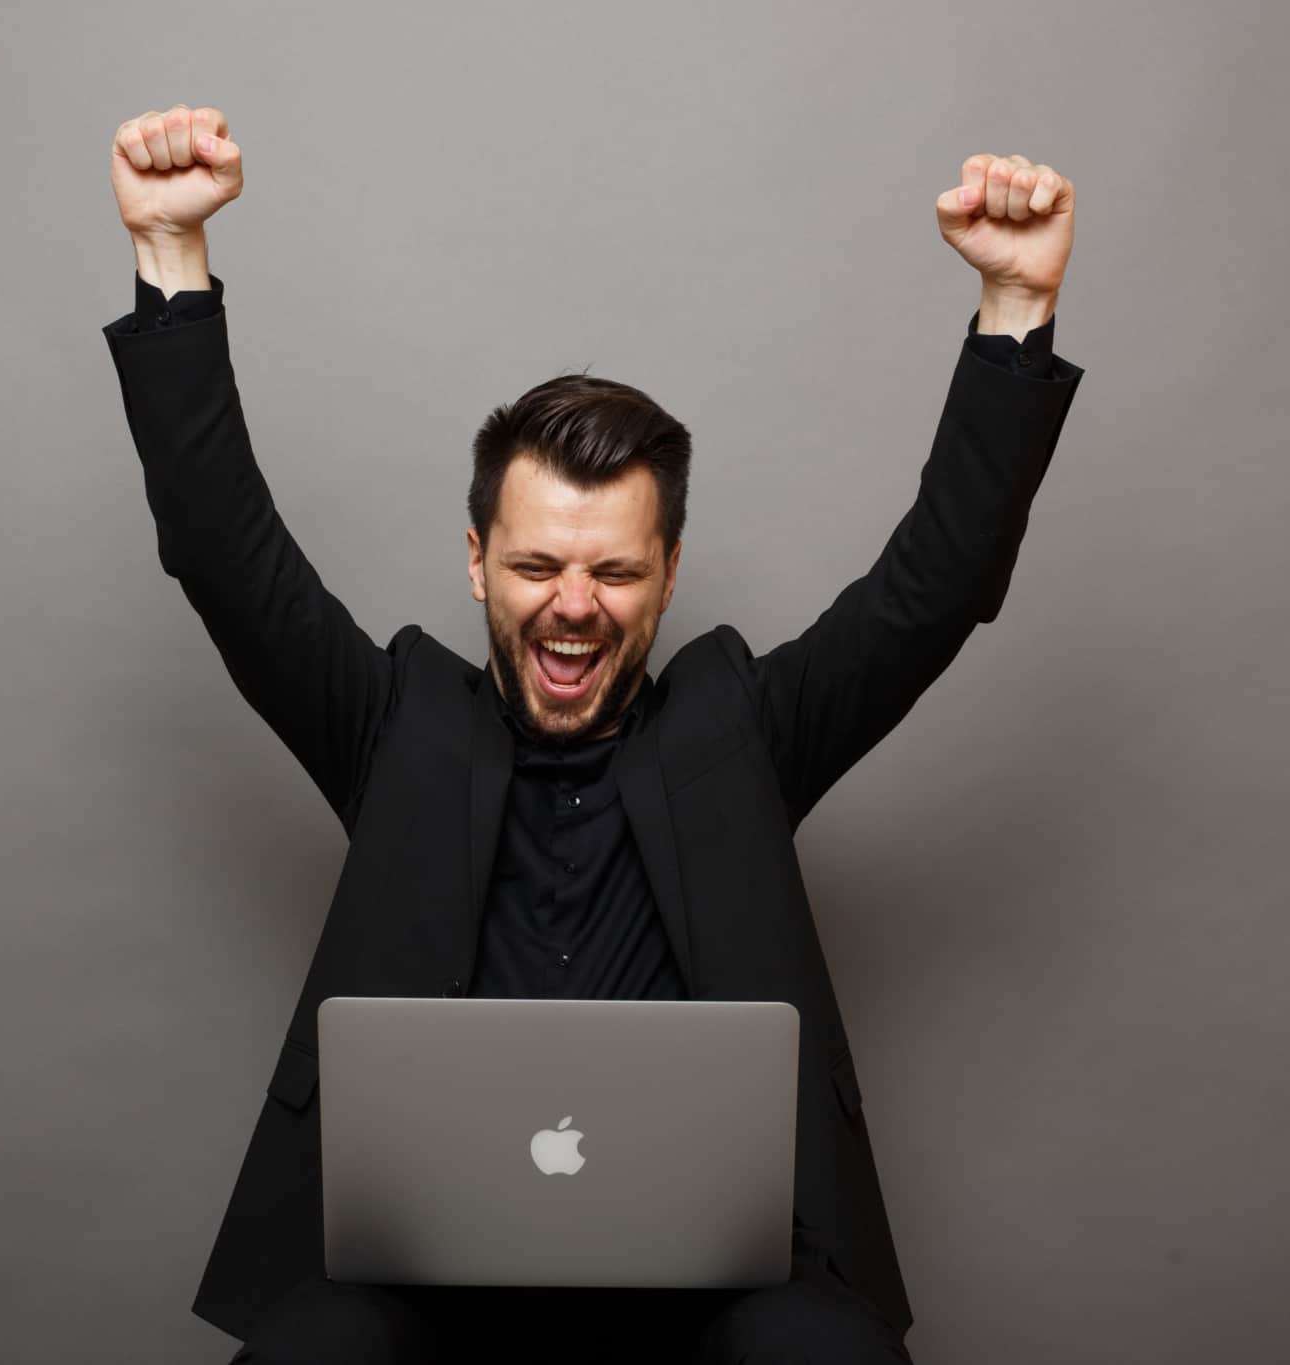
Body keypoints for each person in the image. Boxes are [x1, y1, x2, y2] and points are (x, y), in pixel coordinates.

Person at [102, 102, 1083, 1364]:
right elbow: (223, 552)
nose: (572, 605)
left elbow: (933, 586)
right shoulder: (392, 724)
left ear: (668, 574)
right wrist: (171, 252)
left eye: (613, 571)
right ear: (476, 563)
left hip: (714, 1283)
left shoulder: (745, 732)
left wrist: (1014, 302)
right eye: (535, 566)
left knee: (823, 1354)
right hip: (419, 1275)